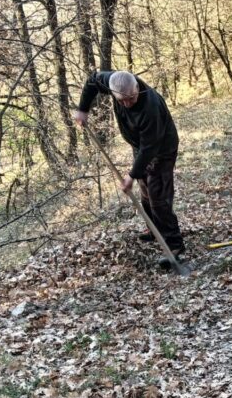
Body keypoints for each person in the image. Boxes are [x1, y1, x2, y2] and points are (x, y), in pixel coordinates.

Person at [73, 70, 185, 264]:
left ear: (136, 88)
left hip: (161, 148)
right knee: (145, 192)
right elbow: (92, 81)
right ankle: (154, 229)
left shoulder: (151, 106)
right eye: (121, 100)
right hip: (140, 145)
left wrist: (131, 175)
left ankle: (174, 245)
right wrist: (83, 109)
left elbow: (150, 147)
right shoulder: (113, 81)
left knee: (158, 195)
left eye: (130, 99)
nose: (126, 104)